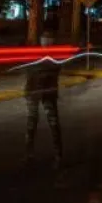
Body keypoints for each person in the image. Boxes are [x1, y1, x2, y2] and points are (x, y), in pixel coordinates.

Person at [25, 31, 63, 167]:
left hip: (47, 92)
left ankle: (58, 155)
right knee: (32, 122)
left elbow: (52, 71)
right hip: (34, 91)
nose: (46, 42)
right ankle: (29, 155)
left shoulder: (55, 57)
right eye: (44, 39)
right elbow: (29, 70)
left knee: (53, 123)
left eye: (49, 39)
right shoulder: (37, 55)